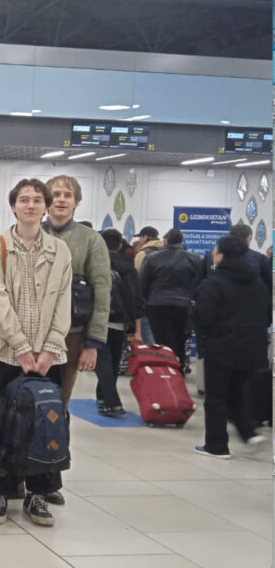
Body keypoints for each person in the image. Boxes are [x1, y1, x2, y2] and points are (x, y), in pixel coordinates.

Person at [0, 178, 72, 527]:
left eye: (37, 200)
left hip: (49, 356)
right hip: (8, 353)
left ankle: (38, 495)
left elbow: (64, 299)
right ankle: (0, 490)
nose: (30, 205)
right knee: (4, 423)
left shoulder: (60, 251)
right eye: (23, 200)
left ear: (46, 207)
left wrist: (49, 347)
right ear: (13, 205)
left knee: (47, 424)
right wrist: (18, 344)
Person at [42, 177, 112, 482]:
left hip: (71, 336)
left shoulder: (91, 240)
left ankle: (50, 474)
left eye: (67, 195)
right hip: (27, 336)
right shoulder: (31, 232)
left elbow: (102, 290)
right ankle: (17, 473)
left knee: (58, 405)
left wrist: (93, 343)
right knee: (23, 402)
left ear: (76, 201)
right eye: (55, 194)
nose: (60, 199)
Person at [192, 235, 271, 458]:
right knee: (239, 391)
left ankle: (216, 446)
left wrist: (205, 338)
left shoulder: (215, 282)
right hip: (251, 347)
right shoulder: (257, 283)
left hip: (221, 346)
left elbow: (204, 316)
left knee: (216, 397)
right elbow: (266, 316)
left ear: (222, 254)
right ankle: (249, 433)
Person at [139, 228, 202, 368]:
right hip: (184, 306)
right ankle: (177, 369)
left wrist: (144, 302)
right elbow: (200, 284)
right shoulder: (194, 259)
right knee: (180, 340)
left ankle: (165, 370)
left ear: (165, 240)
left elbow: (141, 284)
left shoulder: (152, 258)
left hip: (157, 305)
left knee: (161, 342)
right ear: (181, 241)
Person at [100, 229, 141, 413]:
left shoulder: (98, 263)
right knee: (114, 360)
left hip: (99, 319)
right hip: (120, 320)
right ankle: (102, 397)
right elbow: (135, 296)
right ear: (119, 245)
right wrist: (134, 324)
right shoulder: (128, 265)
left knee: (102, 360)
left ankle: (110, 400)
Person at [194, 223, 272, 293]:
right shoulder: (259, 259)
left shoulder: (211, 256)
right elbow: (268, 287)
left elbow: (197, 282)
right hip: (248, 304)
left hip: (216, 302)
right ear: (249, 238)